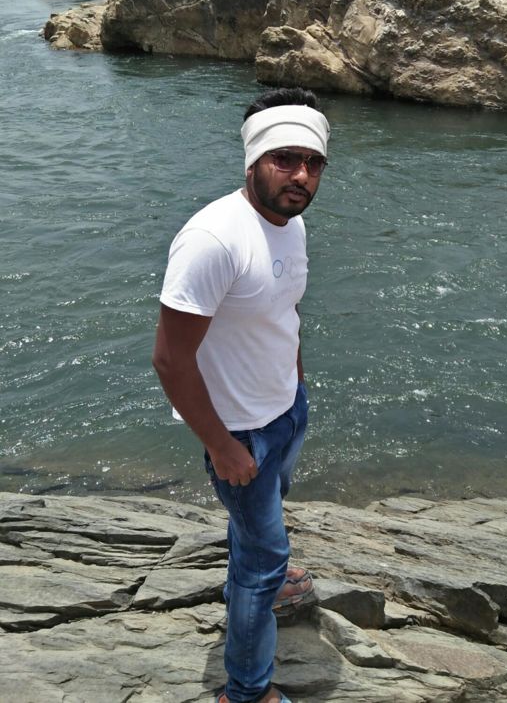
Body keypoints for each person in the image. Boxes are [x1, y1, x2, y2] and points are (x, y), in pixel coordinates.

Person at [152, 87, 330, 703]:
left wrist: (297, 379)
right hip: (241, 433)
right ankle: (246, 693)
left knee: (263, 523)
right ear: (253, 160)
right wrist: (222, 447)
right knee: (262, 563)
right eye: (285, 159)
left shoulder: (291, 223)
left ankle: (256, 578)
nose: (301, 175)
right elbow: (170, 360)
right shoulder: (214, 239)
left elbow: (286, 308)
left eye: (313, 162)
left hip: (285, 410)